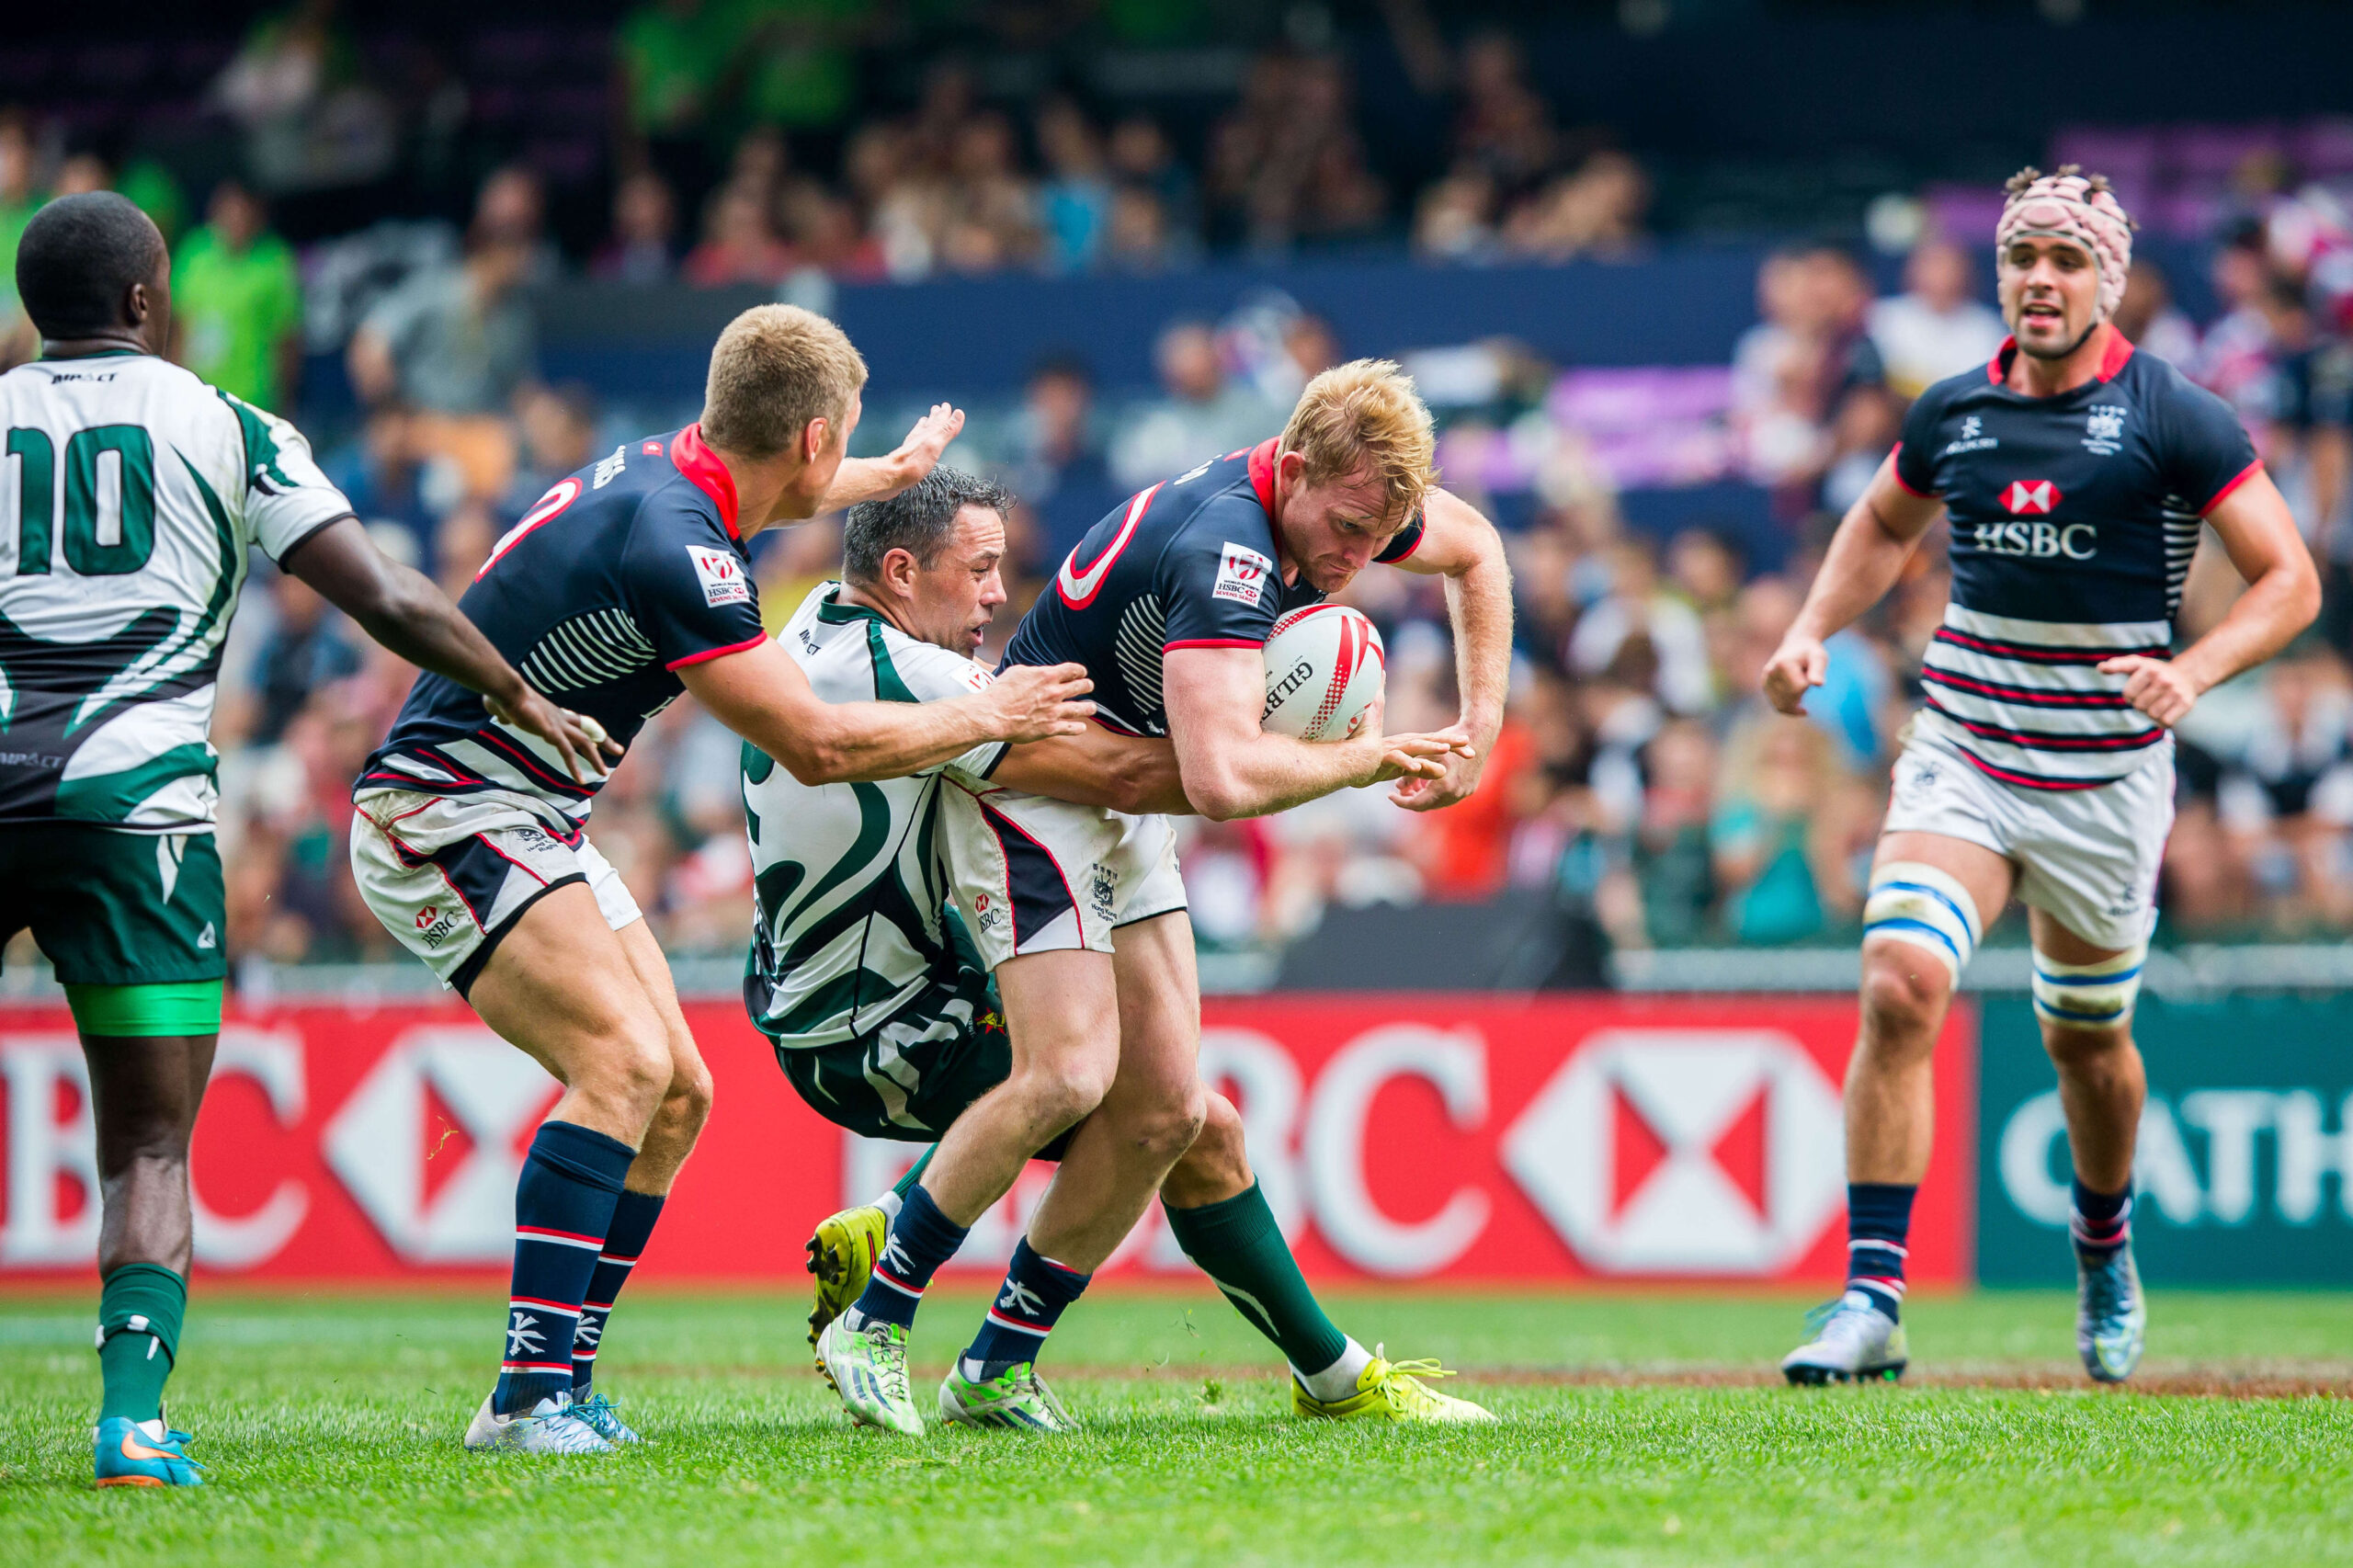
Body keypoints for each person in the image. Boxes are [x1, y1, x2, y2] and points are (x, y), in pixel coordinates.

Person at [346, 304, 1095, 1456]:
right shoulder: (684, 547)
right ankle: (526, 1395)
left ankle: (566, 1382)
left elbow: (789, 487)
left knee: (680, 1090)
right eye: (838, 441)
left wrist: (886, 471)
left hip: (529, 807)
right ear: (807, 437)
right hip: (446, 807)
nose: (842, 464)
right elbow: (821, 745)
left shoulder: (677, 470)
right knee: (624, 1064)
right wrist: (985, 710)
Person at [2, 191, 598, 1488]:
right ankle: (131, 1425)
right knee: (148, 1144)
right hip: (138, 812)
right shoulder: (229, 427)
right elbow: (382, 592)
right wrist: (518, 691)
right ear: (150, 302)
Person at [814, 359, 1513, 1434]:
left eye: (1382, 535)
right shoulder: (1227, 548)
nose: (1358, 558)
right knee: (1067, 1071)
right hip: (1039, 791)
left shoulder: (1350, 503)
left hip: (1128, 793)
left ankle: (996, 1363)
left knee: (1169, 1110)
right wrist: (1371, 756)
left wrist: (1479, 730)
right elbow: (1227, 781)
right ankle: (878, 1309)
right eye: (1348, 526)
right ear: (1294, 465)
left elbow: (1480, 554)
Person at [1763, 167, 2318, 1387]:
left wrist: (2200, 667)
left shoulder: (2178, 416)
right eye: (2023, 258)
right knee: (1902, 980)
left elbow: (2291, 579)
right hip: (1966, 746)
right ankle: (1872, 1298)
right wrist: (1814, 625)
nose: (2042, 280)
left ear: (2108, 280)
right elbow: (1877, 526)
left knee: (2088, 1045)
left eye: (2067, 261)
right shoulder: (1954, 408)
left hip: (2106, 779)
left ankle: (2104, 1243)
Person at [170, 181, 303, 411]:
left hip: (254, 400)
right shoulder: (194, 252)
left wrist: (286, 401)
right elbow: (179, 326)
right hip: (198, 397)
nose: (235, 220)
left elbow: (286, 338)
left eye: (243, 212)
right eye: (227, 211)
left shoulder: (275, 260)